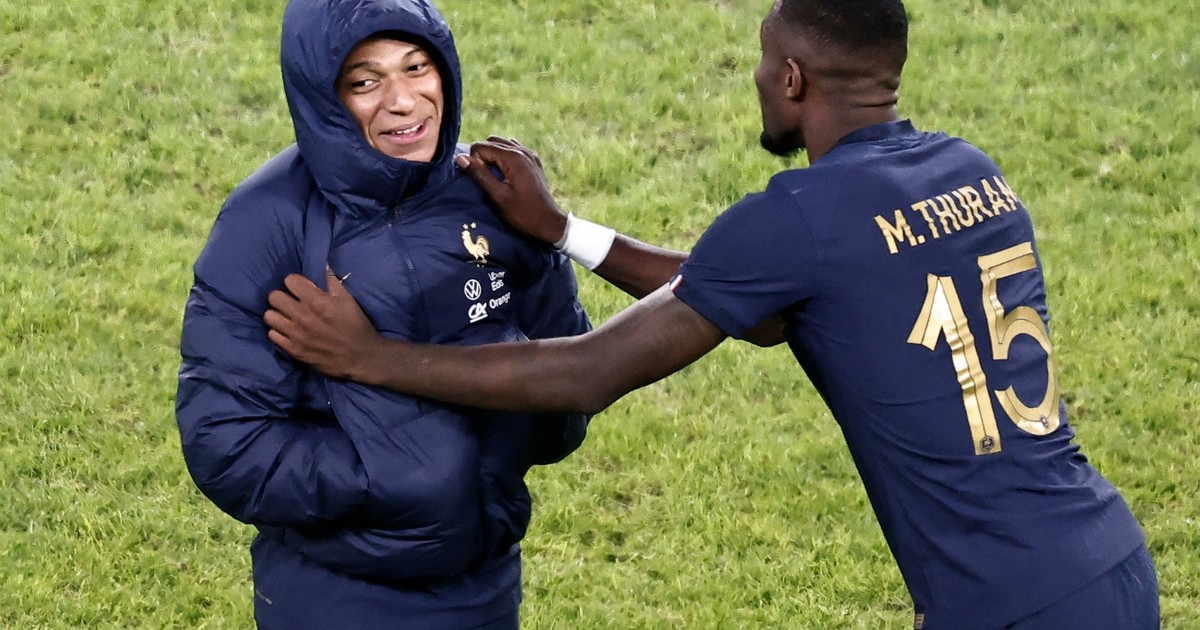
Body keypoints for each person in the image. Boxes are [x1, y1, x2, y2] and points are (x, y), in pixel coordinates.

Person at [262, 0, 1161, 628]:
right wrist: (563, 231)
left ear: (794, 78)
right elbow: (755, 303)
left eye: (765, 60)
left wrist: (372, 358)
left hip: (1008, 602)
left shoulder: (799, 218)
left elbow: (586, 372)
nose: (758, 77)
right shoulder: (971, 170)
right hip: (1106, 558)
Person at [174, 0, 592, 628]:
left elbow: (572, 375)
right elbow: (228, 442)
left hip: (487, 584)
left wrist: (505, 447)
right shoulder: (268, 223)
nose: (403, 101)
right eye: (365, 82)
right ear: (323, 98)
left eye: (417, 67)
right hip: (338, 598)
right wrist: (392, 479)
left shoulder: (494, 194)